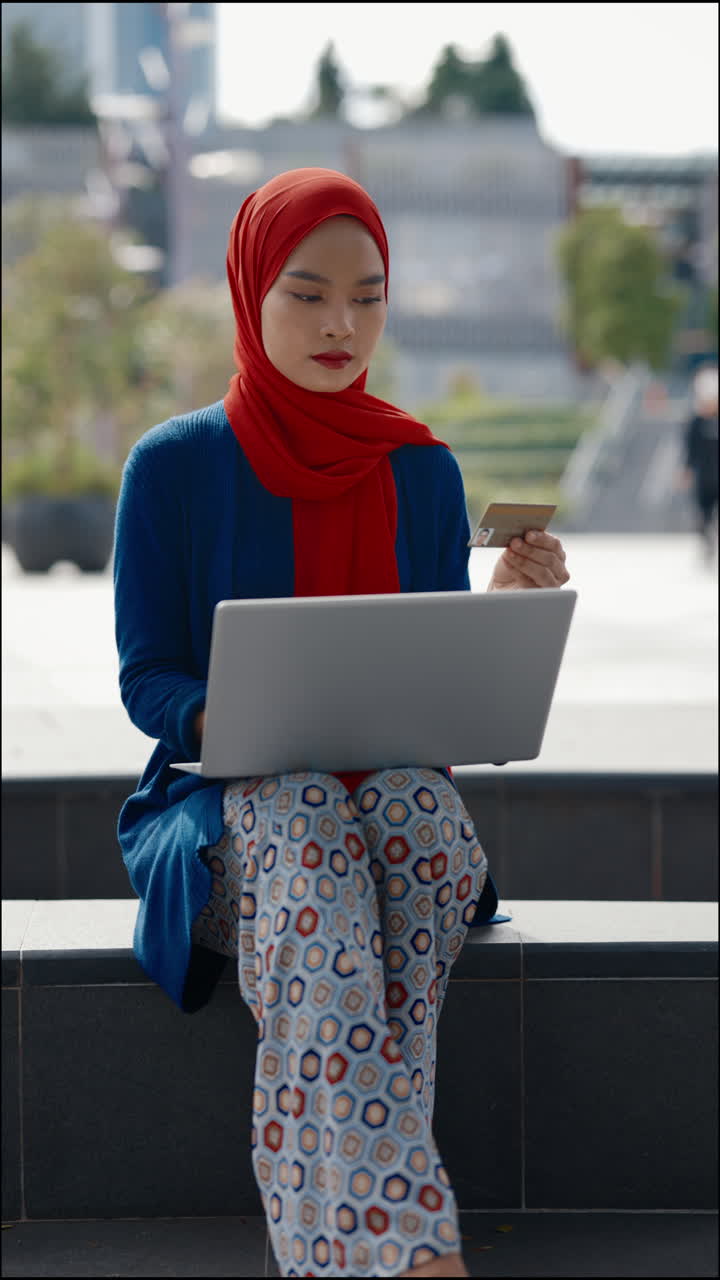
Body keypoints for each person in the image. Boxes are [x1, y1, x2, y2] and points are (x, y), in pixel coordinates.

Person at [113, 168, 571, 1280]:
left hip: (388, 804)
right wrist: (231, 714)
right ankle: (412, 1252)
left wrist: (509, 616)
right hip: (234, 819)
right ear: (249, 292)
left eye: (367, 296)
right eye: (307, 293)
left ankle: (351, 1247)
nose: (340, 324)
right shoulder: (174, 467)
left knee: (416, 811)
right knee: (309, 809)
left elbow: (430, 689)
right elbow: (148, 679)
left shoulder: (420, 470)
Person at [678, 364, 719, 563]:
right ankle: (707, 543)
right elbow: (689, 448)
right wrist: (686, 470)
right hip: (704, 477)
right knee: (703, 516)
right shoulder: (696, 422)